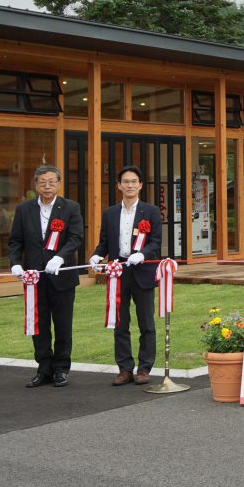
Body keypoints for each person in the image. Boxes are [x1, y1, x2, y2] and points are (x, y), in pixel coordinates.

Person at [7, 164, 85, 388]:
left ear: (59, 184)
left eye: (52, 182)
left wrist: (60, 257)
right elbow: (15, 241)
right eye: (43, 182)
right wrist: (15, 264)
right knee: (38, 324)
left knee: (62, 324)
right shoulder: (25, 210)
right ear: (36, 185)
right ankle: (43, 368)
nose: (47, 186)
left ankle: (61, 368)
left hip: (61, 277)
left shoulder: (70, 207)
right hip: (34, 278)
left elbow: (76, 237)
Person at [90, 165, 163, 385]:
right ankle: (124, 368)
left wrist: (142, 254)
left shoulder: (150, 211)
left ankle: (144, 368)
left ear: (140, 185)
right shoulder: (110, 213)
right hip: (118, 271)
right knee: (120, 322)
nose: (130, 185)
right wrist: (96, 256)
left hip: (142, 270)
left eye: (134, 181)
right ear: (119, 185)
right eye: (126, 181)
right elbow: (104, 242)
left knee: (146, 323)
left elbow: (156, 242)